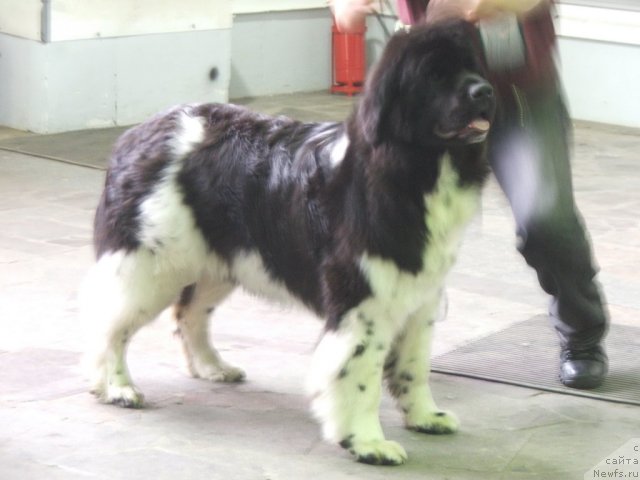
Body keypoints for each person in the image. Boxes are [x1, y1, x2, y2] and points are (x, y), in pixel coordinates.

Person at [331, 0, 609, 389]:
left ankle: (582, 334)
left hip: (520, 95)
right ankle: (402, 337)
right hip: (433, 98)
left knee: (545, 220)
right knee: (399, 222)